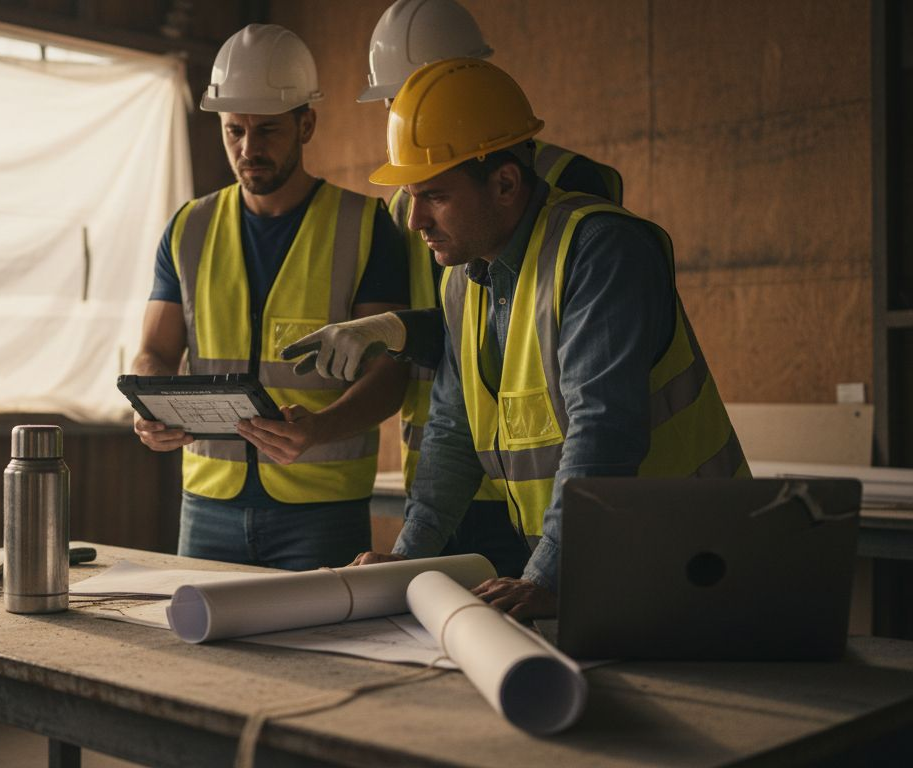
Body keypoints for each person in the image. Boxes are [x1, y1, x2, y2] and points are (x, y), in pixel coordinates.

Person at [288, 57, 748, 618]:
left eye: (434, 196)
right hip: (609, 560)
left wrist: (547, 576)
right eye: (412, 197)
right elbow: (453, 432)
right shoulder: (464, 278)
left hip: (696, 559)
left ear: (505, 183)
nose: (415, 222)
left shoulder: (601, 250)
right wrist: (407, 559)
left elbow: (601, 429)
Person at [131, 24, 410, 571]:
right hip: (207, 504)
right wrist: (148, 403)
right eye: (234, 131)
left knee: (322, 655)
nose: (248, 149)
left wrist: (317, 430)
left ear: (307, 123)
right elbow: (155, 352)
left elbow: (391, 375)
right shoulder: (188, 228)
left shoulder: (363, 226)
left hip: (322, 510)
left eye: (267, 131)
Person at [359, 0, 625, 498]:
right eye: (396, 104)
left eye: (422, 95)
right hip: (451, 459)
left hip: (551, 474)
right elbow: (468, 327)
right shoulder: (405, 202)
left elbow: (552, 348)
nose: (410, 117)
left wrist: (400, 329)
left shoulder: (577, 196)